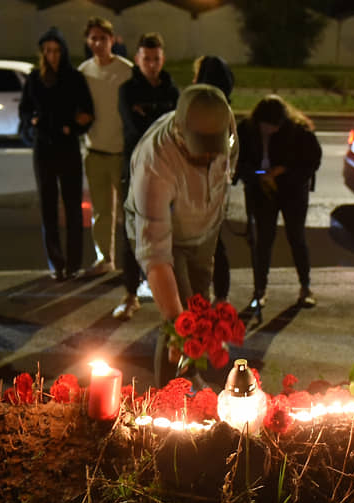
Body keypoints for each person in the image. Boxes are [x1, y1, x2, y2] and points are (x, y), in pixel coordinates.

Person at [125, 84, 237, 385]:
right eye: (202, 150)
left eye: (216, 148)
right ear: (179, 131)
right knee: (181, 318)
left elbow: (227, 169)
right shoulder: (154, 163)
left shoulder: (226, 128)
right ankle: (169, 397)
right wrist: (179, 326)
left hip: (204, 231)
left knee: (199, 311)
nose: (210, 157)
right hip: (162, 234)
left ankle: (187, 379)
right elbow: (156, 255)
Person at [113, 32, 179, 320]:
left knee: (165, 234)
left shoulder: (173, 90)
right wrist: (158, 114)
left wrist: (151, 113)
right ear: (137, 59)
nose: (152, 64)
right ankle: (130, 293)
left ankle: (163, 293)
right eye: (146, 59)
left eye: (156, 59)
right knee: (133, 232)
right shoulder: (127, 90)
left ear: (162, 59)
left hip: (166, 171)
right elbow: (136, 126)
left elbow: (174, 126)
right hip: (136, 169)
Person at [19, 27, 94, 281]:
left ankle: (74, 263)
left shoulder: (74, 78)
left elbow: (88, 112)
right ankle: (56, 263)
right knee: (48, 206)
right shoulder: (34, 79)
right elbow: (24, 111)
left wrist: (71, 127)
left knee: (73, 206)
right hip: (43, 148)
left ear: (63, 51)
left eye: (56, 50)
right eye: (47, 51)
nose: (52, 56)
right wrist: (33, 123)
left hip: (67, 146)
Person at [236, 95, 322, 310]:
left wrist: (283, 171)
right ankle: (260, 290)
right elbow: (238, 161)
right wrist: (259, 174)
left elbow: (311, 163)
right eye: (266, 126)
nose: (269, 131)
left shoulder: (299, 132)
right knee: (262, 241)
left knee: (296, 237)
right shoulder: (246, 130)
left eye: (274, 127)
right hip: (261, 190)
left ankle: (305, 287)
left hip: (292, 191)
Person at [78, 17, 134, 277]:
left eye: (103, 38)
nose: (98, 43)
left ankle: (133, 260)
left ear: (112, 40)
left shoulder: (126, 70)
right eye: (93, 38)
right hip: (94, 150)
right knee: (101, 211)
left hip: (121, 152)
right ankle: (105, 258)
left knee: (129, 210)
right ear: (88, 41)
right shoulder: (84, 71)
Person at [192, 55, 235, 303]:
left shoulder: (207, 110)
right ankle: (220, 296)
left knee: (204, 245)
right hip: (214, 185)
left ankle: (210, 297)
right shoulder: (224, 108)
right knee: (214, 244)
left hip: (200, 186)